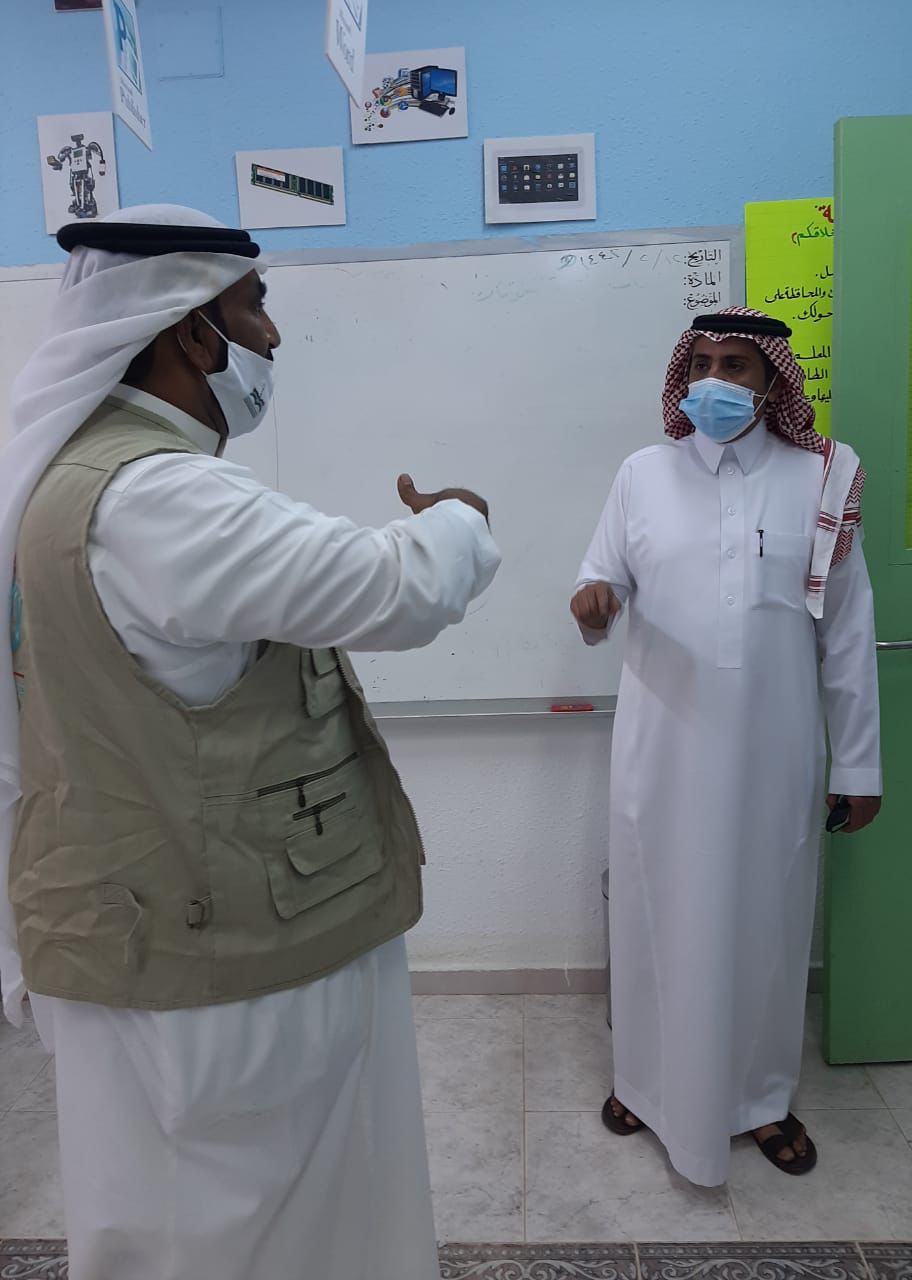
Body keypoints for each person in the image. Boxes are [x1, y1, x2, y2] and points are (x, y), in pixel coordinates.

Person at [0, 205, 500, 1280]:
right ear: (193, 331)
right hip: (225, 958)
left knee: (166, 1218)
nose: (273, 336)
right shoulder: (158, 494)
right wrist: (461, 517)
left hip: (121, 926)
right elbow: (394, 588)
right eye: (255, 306)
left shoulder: (60, 482)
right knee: (266, 1227)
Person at [570, 306, 881, 1187]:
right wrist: (591, 603)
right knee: (653, 913)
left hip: (772, 754)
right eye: (701, 362)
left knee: (767, 924)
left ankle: (760, 1098)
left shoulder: (820, 481)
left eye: (735, 365)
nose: (714, 381)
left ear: (772, 380)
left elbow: (847, 632)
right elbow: (598, 581)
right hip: (662, 748)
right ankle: (644, 1084)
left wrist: (860, 763)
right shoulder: (643, 473)